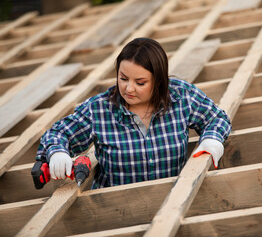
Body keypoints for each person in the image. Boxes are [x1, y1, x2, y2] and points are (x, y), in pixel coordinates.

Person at [36, 37, 231, 189]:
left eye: (140, 82)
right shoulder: (99, 109)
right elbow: (57, 133)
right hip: (115, 210)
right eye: (123, 78)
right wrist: (57, 152)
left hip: (172, 199)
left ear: (159, 81)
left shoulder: (181, 96)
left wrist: (211, 139)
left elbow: (216, 118)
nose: (129, 88)